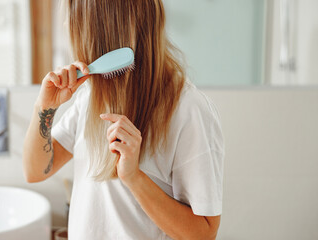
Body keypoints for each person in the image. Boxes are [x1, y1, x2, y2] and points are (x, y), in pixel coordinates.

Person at [23, 0, 225, 239]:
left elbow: (204, 233)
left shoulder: (188, 111)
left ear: (98, 31)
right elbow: (35, 171)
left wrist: (134, 178)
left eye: (72, 19)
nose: (66, 26)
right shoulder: (89, 95)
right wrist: (44, 107)